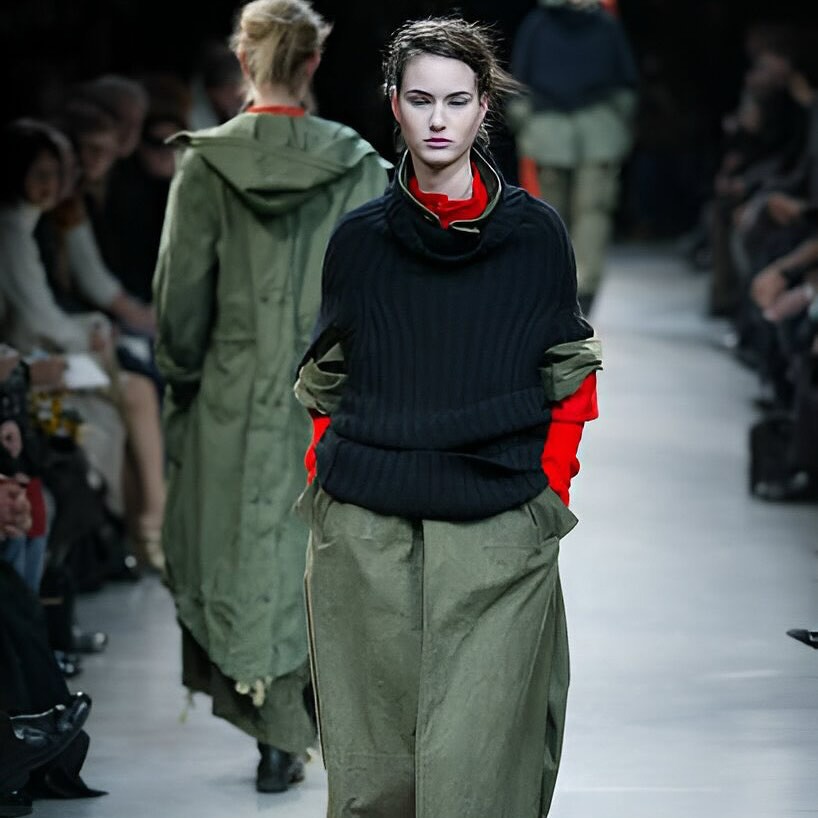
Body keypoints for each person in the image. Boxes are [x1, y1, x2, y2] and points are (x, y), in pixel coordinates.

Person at [295, 17, 602, 817]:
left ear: (484, 107)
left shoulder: (536, 237)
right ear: (394, 104)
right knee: (373, 776)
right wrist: (326, 487)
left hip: (498, 524)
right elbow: (329, 379)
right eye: (421, 99)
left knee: (483, 775)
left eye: (457, 101)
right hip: (365, 530)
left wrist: (549, 492)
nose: (438, 120)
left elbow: (569, 374)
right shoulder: (359, 242)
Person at [153, 0, 389, 794]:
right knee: (312, 547)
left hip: (229, 385)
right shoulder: (357, 165)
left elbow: (181, 297)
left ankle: (272, 727)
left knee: (238, 546)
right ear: (314, 61)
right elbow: (377, 294)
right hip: (332, 393)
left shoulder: (206, 165)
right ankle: (303, 715)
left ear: (242, 59)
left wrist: (182, 376)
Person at [508, 0, 638, 314]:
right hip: (596, 129)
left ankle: (560, 286)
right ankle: (582, 289)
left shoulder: (538, 24)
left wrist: (524, 120)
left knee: (555, 213)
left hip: (550, 130)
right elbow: (625, 82)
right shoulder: (604, 26)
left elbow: (519, 80)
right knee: (590, 212)